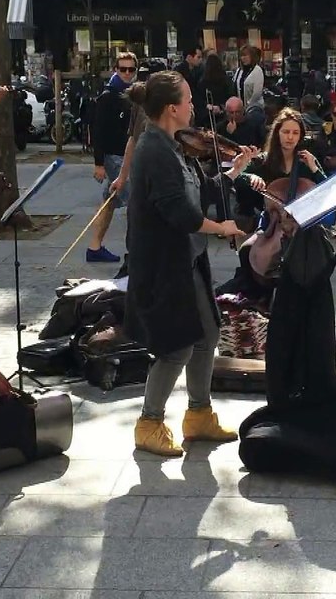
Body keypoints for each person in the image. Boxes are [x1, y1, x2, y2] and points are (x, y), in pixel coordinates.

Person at [125, 70, 246, 457]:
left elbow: (203, 189)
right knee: (176, 345)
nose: (195, 107)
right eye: (190, 100)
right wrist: (222, 226)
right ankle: (148, 422)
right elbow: (180, 212)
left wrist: (236, 169)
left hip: (187, 259)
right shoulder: (153, 151)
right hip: (162, 265)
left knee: (208, 334)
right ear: (173, 108)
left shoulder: (175, 145)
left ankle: (198, 415)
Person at [85, 52, 140, 263]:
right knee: (135, 202)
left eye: (131, 69)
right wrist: (98, 163)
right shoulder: (109, 96)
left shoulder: (130, 93)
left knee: (109, 201)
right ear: (116, 70)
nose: (127, 73)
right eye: (123, 69)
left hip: (121, 156)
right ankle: (136, 251)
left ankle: (94, 246)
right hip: (114, 157)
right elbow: (98, 131)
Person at [174, 46, 208, 126]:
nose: (200, 60)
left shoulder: (197, 71)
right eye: (198, 57)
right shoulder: (180, 72)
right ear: (189, 57)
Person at [200, 52, 236, 124]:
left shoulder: (203, 81)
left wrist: (208, 106)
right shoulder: (226, 80)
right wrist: (221, 107)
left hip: (208, 116)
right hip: (224, 114)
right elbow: (231, 96)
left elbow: (200, 99)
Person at [234, 45, 265, 112]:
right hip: (240, 109)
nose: (243, 58)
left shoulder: (257, 70)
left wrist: (248, 105)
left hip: (255, 108)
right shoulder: (239, 70)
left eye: (246, 55)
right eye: (242, 56)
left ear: (252, 56)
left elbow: (257, 93)